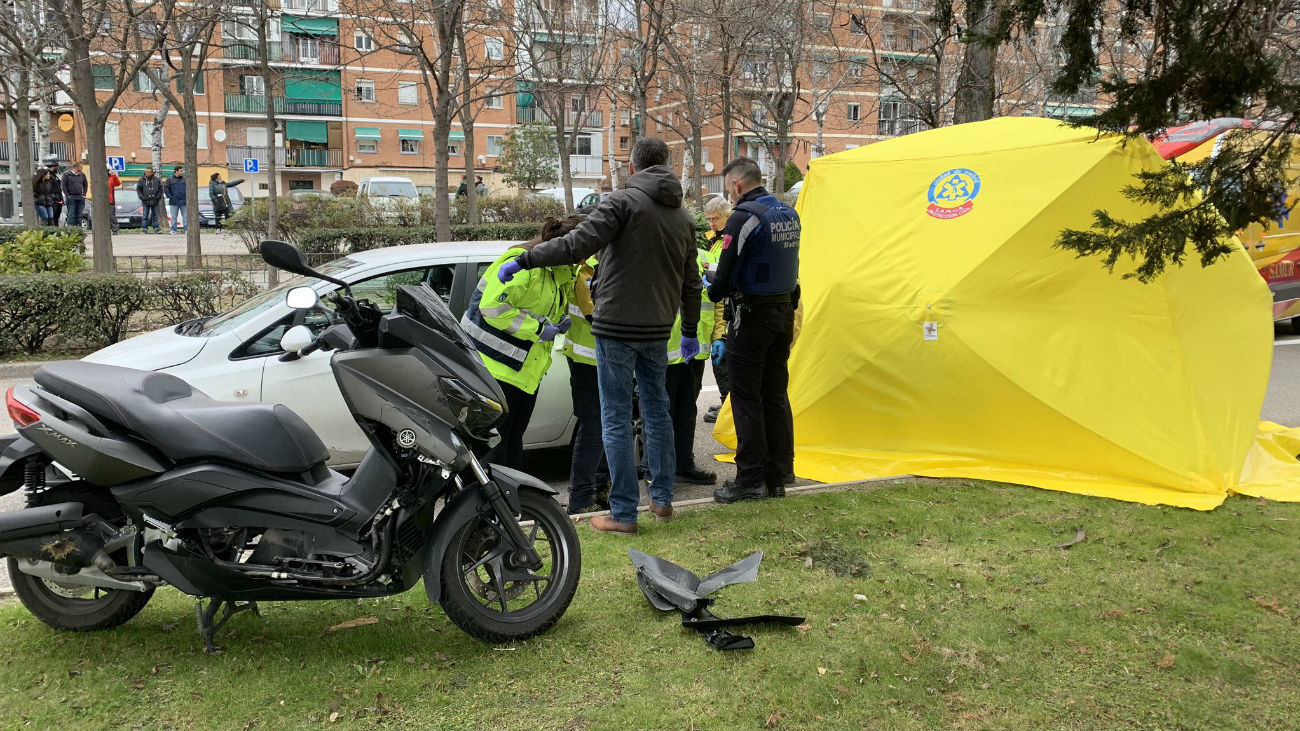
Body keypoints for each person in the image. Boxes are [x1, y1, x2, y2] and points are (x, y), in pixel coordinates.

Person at [499, 137, 701, 535]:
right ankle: (662, 499)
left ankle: (624, 513)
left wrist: (525, 258)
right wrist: (690, 330)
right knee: (657, 412)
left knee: (615, 418)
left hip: (615, 328)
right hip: (659, 329)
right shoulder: (683, 217)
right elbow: (691, 283)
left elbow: (577, 244)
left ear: (633, 167)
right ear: (666, 165)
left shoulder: (621, 203)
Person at [707, 156, 800, 504]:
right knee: (775, 395)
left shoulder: (742, 219)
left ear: (735, 185)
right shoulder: (789, 215)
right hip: (782, 314)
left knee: (746, 398)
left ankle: (748, 479)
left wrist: (711, 284)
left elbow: (726, 275)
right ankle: (778, 475)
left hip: (751, 317)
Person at [461, 216, 581, 470]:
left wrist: (559, 321)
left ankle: (509, 507)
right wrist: (538, 329)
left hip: (522, 374)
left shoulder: (557, 272)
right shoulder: (525, 266)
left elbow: (537, 305)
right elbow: (492, 308)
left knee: (509, 447)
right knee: (493, 452)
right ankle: (486, 508)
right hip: (494, 372)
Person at [561, 251, 611, 515]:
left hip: (601, 358)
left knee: (605, 426)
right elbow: (594, 311)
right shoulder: (586, 271)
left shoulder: (605, 264)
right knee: (593, 427)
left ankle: (599, 487)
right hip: (586, 359)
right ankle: (580, 498)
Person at [663, 250, 718, 486]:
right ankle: (658, 471)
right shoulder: (660, 251)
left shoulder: (705, 257)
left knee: (686, 411)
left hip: (694, 349)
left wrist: (718, 336)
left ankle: (684, 464)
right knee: (661, 413)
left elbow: (714, 300)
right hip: (666, 349)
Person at [702, 196, 732, 423]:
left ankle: (729, 408)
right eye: (709, 219)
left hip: (725, 307)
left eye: (716, 219)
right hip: (715, 306)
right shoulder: (716, 240)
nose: (712, 223)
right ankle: (726, 403)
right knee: (719, 362)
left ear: (727, 215)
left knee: (722, 363)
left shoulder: (729, 240)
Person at [60, 162, 88, 230]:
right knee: (71, 215)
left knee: (79, 215)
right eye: (81, 167)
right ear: (76, 167)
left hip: (80, 197)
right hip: (71, 197)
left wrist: (84, 194)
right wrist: (67, 195)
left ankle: (78, 229)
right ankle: (71, 229)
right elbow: (63, 185)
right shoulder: (66, 174)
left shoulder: (82, 175)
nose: (82, 168)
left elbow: (85, 184)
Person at [136, 167, 164, 233]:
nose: (147, 173)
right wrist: (142, 197)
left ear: (152, 172)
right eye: (146, 172)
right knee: (145, 215)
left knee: (155, 215)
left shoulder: (156, 180)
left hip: (155, 200)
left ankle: (156, 228)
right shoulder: (141, 180)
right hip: (145, 200)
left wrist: (157, 197)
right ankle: (144, 228)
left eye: (149, 172)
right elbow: (138, 189)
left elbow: (160, 189)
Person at [165, 165, 187, 234]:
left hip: (184, 201)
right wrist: (170, 196)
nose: (182, 172)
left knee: (185, 216)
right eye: (181, 171)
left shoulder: (184, 179)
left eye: (182, 170)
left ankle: (187, 229)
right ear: (176, 171)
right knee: (174, 216)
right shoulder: (170, 179)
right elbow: (166, 188)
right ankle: (173, 230)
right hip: (174, 201)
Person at [42, 157, 63, 225]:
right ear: (54, 166)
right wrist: (54, 198)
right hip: (53, 202)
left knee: (56, 219)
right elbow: (47, 189)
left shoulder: (54, 175)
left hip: (57, 201)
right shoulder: (48, 176)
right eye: (57, 166)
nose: (58, 167)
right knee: (52, 220)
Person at [105, 166, 121, 233]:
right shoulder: (99, 178)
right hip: (101, 201)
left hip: (110, 200)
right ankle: (105, 229)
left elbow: (118, 183)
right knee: (103, 216)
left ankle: (115, 229)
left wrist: (114, 175)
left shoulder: (111, 178)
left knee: (112, 216)